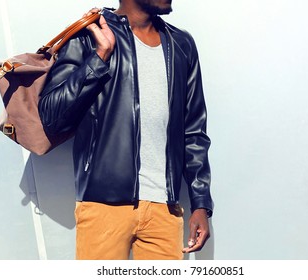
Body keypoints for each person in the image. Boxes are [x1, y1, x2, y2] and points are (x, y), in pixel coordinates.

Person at [38, 0, 213, 260]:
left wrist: (200, 203)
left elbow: (194, 130)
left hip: (165, 209)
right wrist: (100, 57)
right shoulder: (89, 34)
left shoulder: (181, 44)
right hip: (103, 204)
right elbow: (51, 114)